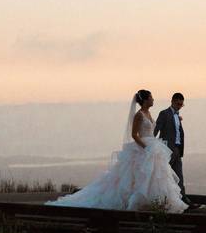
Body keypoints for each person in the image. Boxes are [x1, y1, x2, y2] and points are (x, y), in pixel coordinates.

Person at [46, 89, 188, 212]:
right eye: (151, 97)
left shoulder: (149, 113)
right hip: (144, 147)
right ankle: (137, 201)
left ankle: (155, 202)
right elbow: (134, 135)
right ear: (145, 100)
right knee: (139, 176)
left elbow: (154, 130)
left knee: (155, 176)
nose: (153, 99)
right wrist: (145, 147)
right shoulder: (139, 115)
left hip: (153, 146)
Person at [153, 92, 198, 209]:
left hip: (178, 150)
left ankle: (183, 200)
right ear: (172, 101)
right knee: (165, 177)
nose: (179, 106)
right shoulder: (164, 114)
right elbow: (155, 131)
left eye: (181, 105)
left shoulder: (177, 116)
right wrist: (151, 146)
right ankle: (162, 201)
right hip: (166, 151)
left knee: (179, 176)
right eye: (178, 104)